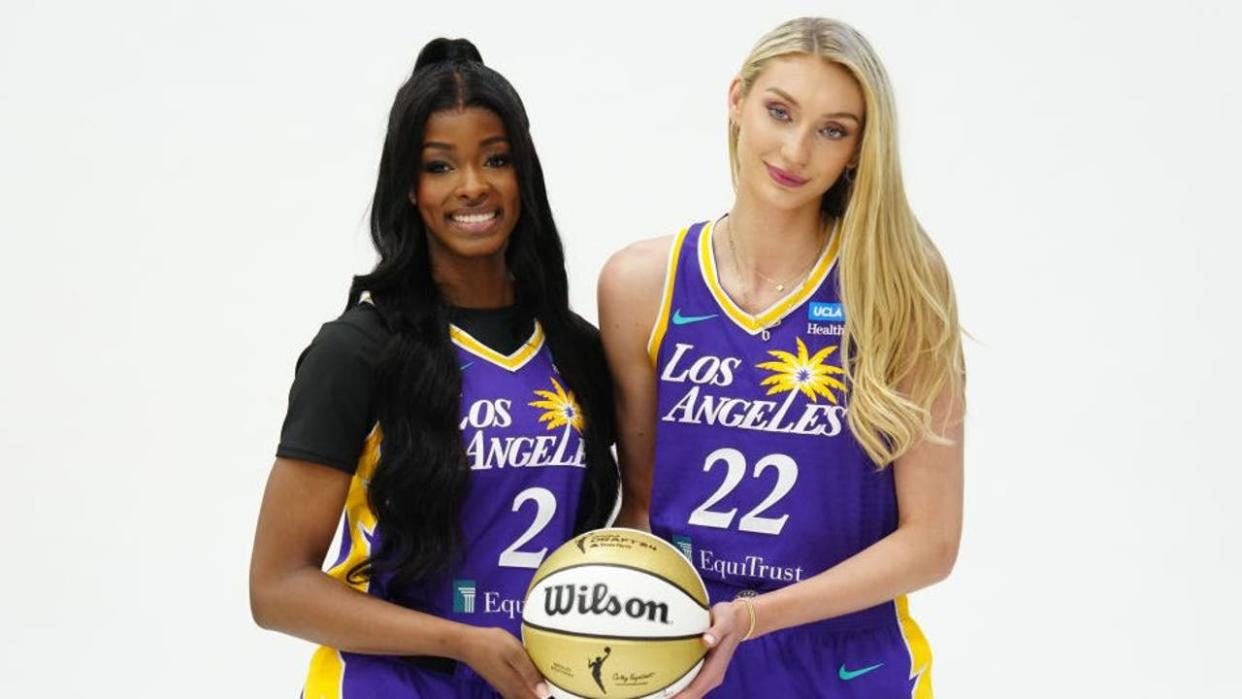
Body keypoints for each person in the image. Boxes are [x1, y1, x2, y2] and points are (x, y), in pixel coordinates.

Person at [598, 17, 965, 698]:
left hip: (847, 663)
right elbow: (645, 507)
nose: (796, 149)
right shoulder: (642, 283)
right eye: (780, 111)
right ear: (737, 100)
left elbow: (932, 542)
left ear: (859, 149)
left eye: (833, 129)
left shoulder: (897, 284)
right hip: (688, 655)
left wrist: (757, 616)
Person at [249, 38, 617, 699]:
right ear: (410, 189)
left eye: (496, 159)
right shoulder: (357, 351)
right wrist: (458, 638)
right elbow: (276, 588)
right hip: (381, 684)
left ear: (523, 177)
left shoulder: (578, 351)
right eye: (440, 166)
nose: (472, 185)